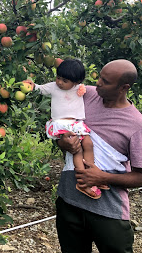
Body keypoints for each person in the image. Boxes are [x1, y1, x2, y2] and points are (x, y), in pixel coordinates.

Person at [55, 59, 142, 253]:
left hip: (107, 212)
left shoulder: (138, 126)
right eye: (99, 77)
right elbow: (61, 127)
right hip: (69, 202)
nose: (98, 83)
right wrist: (62, 143)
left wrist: (103, 178)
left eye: (106, 81)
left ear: (123, 87)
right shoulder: (85, 96)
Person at [28, 58, 105, 199]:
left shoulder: (80, 88)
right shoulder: (53, 87)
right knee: (77, 150)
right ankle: (83, 182)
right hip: (61, 124)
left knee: (88, 143)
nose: (59, 82)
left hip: (77, 124)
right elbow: (40, 89)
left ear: (76, 82)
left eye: (65, 80)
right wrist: (32, 85)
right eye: (58, 78)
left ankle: (92, 173)